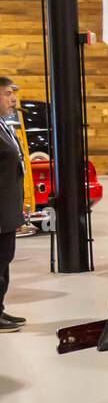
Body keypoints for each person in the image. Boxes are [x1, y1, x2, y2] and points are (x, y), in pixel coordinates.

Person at [0, 77, 26, 332]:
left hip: (7, 209)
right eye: (8, 94)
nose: (13, 98)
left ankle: (0, 310)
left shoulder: (3, 125)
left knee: (4, 260)